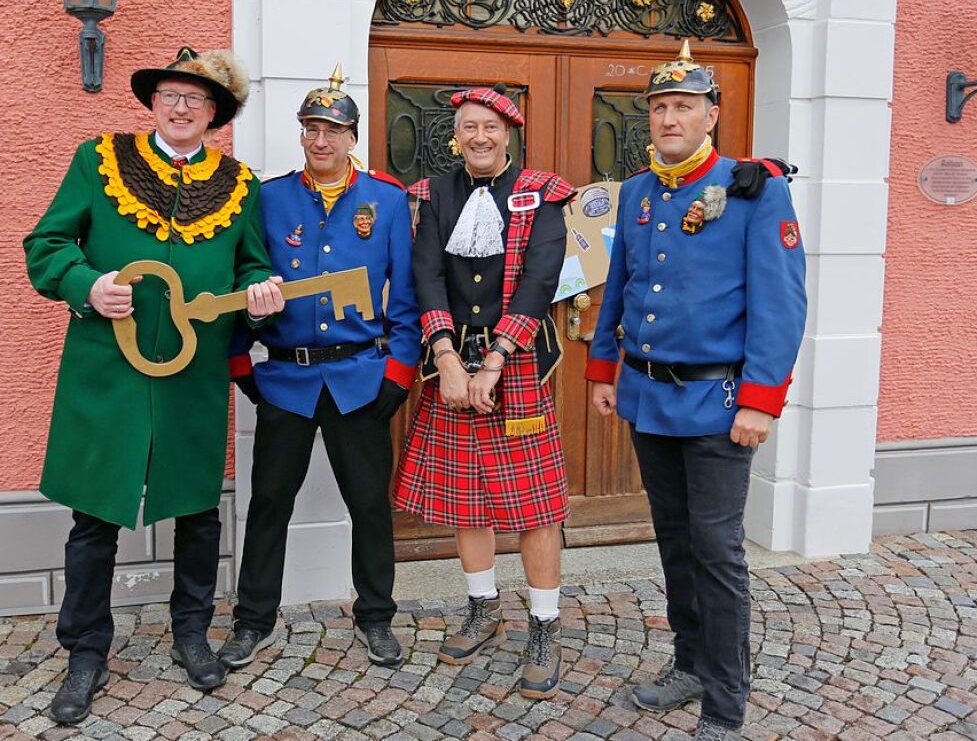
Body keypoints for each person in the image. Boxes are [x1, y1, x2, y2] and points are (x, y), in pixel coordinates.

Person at [23, 47, 284, 724]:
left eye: (194, 99)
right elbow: (46, 245)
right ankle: (84, 650)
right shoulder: (99, 159)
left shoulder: (239, 183)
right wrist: (89, 285)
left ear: (214, 113)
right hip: (106, 368)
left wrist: (256, 294)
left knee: (197, 510)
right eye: (169, 95)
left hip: (192, 374)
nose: (179, 107)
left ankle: (192, 633)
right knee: (95, 515)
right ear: (153, 102)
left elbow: (252, 263)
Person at [585, 41, 807, 741]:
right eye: (658, 106)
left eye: (683, 105)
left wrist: (761, 400)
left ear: (712, 114)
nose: (668, 117)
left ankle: (725, 701)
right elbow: (620, 282)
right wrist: (601, 368)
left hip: (719, 406)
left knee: (717, 551)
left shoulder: (755, 188)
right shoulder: (639, 192)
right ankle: (687, 663)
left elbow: (782, 304)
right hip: (650, 398)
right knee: (675, 541)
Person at [219, 66, 421, 669]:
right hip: (285, 378)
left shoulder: (384, 201)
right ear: (301, 134)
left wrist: (399, 376)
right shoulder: (268, 197)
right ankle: (253, 620)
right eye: (310, 128)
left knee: (369, 503)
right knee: (269, 503)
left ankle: (377, 616)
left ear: (353, 136)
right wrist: (240, 363)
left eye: (333, 129)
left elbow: (406, 297)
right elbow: (244, 277)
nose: (320, 140)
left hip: (360, 377)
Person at [393, 85, 574, 699]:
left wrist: (495, 359)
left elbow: (541, 279)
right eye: (469, 126)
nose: (479, 137)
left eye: (490, 127)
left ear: (508, 133)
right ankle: (483, 606)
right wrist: (444, 356)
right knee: (466, 494)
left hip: (516, 363)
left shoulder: (540, 193)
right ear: (456, 134)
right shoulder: (433, 193)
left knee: (534, 504)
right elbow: (425, 276)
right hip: (450, 361)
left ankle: (545, 625)